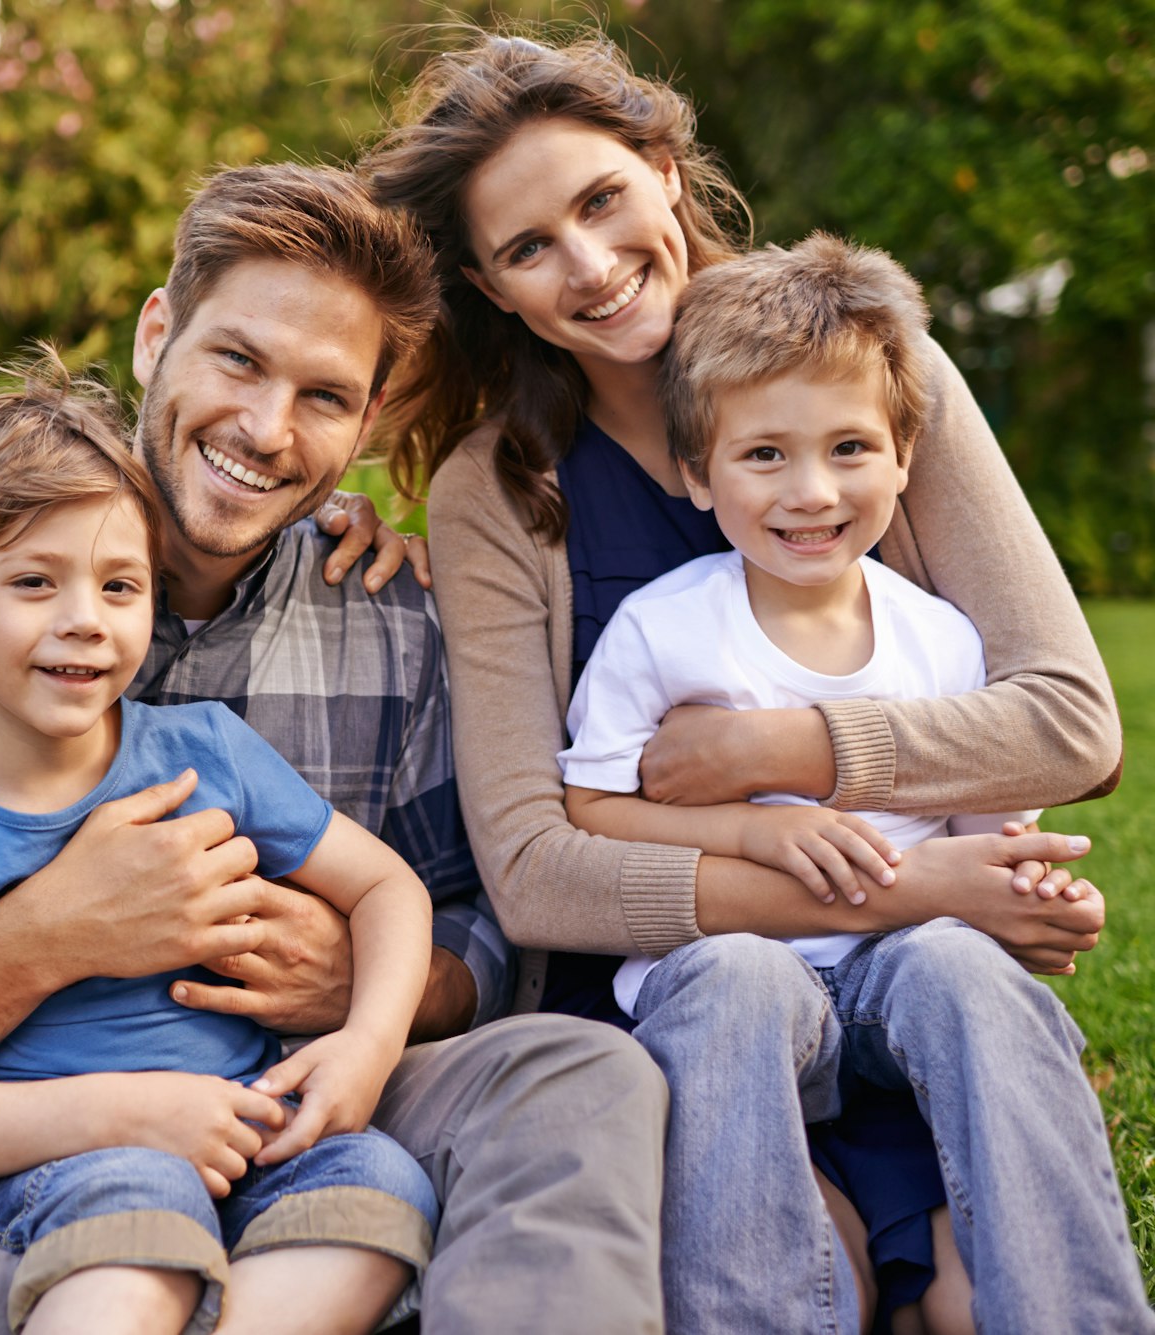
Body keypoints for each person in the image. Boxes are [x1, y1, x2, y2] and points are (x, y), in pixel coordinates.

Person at [0, 163, 670, 1335]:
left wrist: (353, 991)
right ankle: (114, 1296)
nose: (265, 428)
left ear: (368, 421)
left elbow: (477, 927)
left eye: (322, 396)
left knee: (580, 1080)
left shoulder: (391, 619)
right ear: (156, 334)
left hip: (299, 1105)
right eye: (236, 360)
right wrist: (46, 939)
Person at [364, 28, 1148, 1334]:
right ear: (487, 286)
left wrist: (785, 749)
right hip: (693, 1002)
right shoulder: (497, 491)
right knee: (815, 1283)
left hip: (909, 974)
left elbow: (1070, 719)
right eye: (530, 247)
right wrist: (909, 877)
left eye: (604, 199)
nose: (594, 265)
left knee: (965, 1304)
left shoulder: (866, 367)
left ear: (666, 169)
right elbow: (538, 867)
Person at [563, 233, 1133, 1332]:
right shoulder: (662, 630)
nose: (810, 491)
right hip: (727, 971)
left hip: (897, 971)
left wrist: (1036, 893)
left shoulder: (938, 639)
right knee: (733, 981)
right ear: (696, 473)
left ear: (905, 452)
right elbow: (588, 809)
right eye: (762, 456)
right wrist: (750, 832)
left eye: (847, 448)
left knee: (962, 970)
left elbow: (985, 828)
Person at [0, 361, 438, 1334]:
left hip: (250, 1123)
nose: (84, 619)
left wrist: (364, 1047)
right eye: (34, 582)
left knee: (373, 1193)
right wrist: (126, 1113)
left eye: (119, 586)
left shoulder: (204, 754)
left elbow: (387, 891)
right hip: (61, 1160)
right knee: (135, 1228)